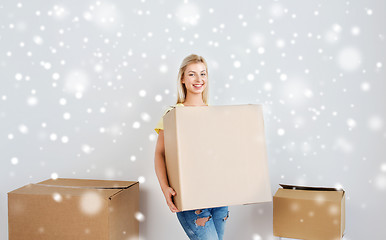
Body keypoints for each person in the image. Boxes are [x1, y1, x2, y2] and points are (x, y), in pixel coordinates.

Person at [154, 54, 229, 240]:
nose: (199, 79)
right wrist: (165, 188)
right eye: (192, 74)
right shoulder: (173, 114)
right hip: (191, 198)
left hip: (219, 196)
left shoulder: (215, 115)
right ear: (182, 78)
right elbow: (160, 154)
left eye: (203, 74)